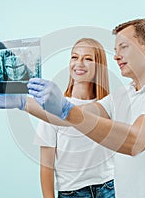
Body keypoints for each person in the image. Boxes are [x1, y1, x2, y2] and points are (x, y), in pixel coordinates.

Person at [0, 18, 145, 198]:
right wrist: (22, 103)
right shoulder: (123, 95)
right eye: (115, 49)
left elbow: (134, 142)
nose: (116, 56)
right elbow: (76, 118)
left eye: (124, 47)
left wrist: (66, 108)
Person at [34, 38, 115, 198]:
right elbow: (46, 166)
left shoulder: (109, 105)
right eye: (74, 57)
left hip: (110, 188)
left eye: (88, 58)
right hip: (72, 193)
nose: (79, 63)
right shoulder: (54, 107)